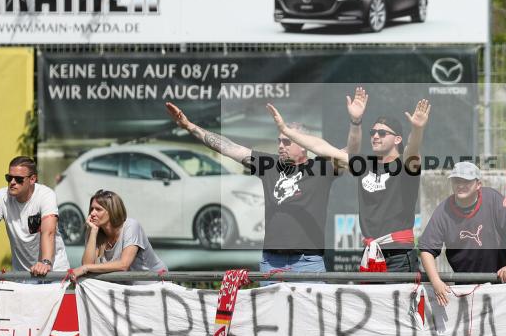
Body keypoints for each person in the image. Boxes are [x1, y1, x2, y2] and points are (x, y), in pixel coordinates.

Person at [165, 89, 367, 281]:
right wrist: (190, 126)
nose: (280, 146)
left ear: (304, 145)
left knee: (307, 319)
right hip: (271, 262)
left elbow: (350, 154)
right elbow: (229, 148)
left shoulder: (321, 168)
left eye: (287, 142)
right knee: (269, 319)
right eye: (279, 141)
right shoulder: (270, 165)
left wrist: (355, 121)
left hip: (308, 262)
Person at [266, 97, 431, 272]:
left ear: (397, 139)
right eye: (373, 132)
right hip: (371, 253)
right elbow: (322, 148)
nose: (375, 136)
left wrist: (417, 128)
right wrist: (286, 130)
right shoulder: (364, 165)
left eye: (382, 133)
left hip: (399, 255)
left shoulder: (406, 165)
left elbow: (412, 148)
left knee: (399, 301)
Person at [419, 162, 506, 306]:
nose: (461, 185)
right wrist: (436, 281)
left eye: (466, 181)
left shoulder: (493, 199)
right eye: (457, 181)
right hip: (465, 287)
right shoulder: (443, 210)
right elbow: (426, 249)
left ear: (478, 184)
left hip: (501, 283)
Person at [70, 190, 166, 280]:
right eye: (92, 209)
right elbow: (87, 264)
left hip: (154, 283)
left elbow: (123, 265)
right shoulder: (93, 230)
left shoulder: (131, 226)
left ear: (112, 211)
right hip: (125, 286)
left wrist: (86, 268)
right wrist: (93, 231)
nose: (92, 213)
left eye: (98, 209)